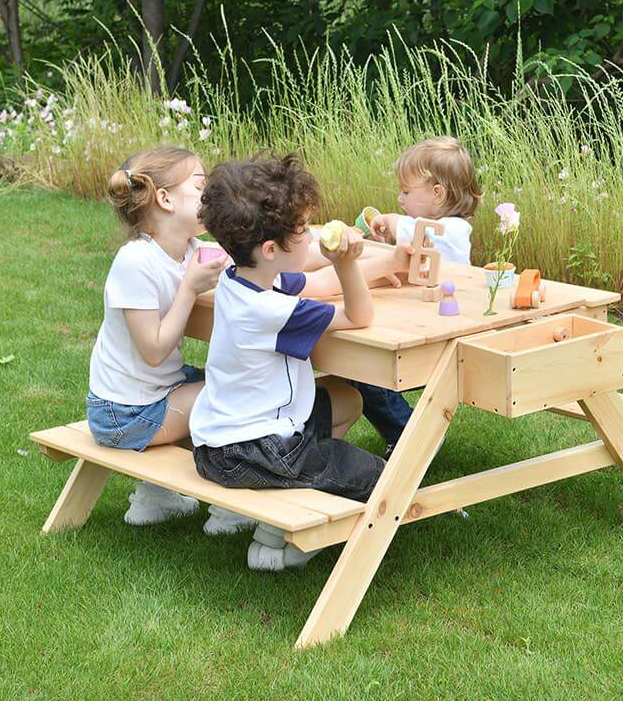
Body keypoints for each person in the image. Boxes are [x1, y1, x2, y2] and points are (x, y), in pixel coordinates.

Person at [190, 152, 400, 571]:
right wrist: (347, 263)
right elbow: (360, 316)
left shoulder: (242, 278)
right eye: (304, 230)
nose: (311, 235)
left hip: (218, 444)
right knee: (382, 478)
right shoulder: (271, 310)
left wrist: (388, 259)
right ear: (271, 249)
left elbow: (318, 281)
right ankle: (287, 542)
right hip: (258, 449)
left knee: (346, 400)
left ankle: (288, 497)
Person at [86, 146, 226, 526]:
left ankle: (154, 497)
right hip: (123, 414)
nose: (211, 194)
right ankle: (230, 505)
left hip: (154, 393)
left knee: (229, 380)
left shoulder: (190, 250)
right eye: (201, 186)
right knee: (236, 394)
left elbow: (252, 258)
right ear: (164, 199)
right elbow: (153, 352)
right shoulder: (135, 262)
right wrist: (189, 290)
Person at [359, 136, 482, 457]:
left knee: (369, 372)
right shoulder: (425, 228)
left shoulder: (455, 231)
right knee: (360, 370)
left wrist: (397, 223)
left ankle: (410, 436)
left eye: (406, 191)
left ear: (438, 194)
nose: (400, 199)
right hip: (418, 323)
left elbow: (426, 234)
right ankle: (404, 431)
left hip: (444, 338)